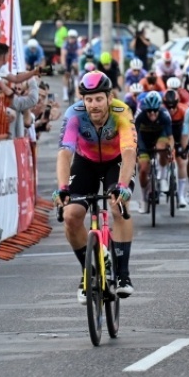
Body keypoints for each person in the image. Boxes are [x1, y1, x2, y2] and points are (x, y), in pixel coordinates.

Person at [53, 71, 138, 303]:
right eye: (88, 100)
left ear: (109, 98)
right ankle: (88, 273)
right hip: (86, 162)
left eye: (99, 99)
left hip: (116, 161)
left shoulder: (122, 112)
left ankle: (122, 274)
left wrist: (122, 186)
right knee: (71, 215)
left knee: (117, 206)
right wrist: (62, 188)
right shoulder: (74, 114)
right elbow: (64, 153)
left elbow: (129, 151)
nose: (93, 105)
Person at [134, 92, 174, 214]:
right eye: (149, 111)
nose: (152, 113)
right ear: (145, 109)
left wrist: (171, 150)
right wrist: (134, 151)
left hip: (159, 137)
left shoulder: (164, 116)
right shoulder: (140, 116)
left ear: (159, 109)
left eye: (155, 110)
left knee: (162, 147)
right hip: (143, 140)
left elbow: (170, 137)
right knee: (143, 169)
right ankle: (144, 199)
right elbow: (133, 136)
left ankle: (162, 178)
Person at [162, 89, 189, 208]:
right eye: (169, 106)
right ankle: (161, 178)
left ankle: (181, 195)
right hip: (165, 135)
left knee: (182, 162)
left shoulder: (184, 110)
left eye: (174, 106)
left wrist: (183, 147)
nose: (171, 109)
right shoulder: (162, 111)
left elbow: (186, 131)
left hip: (179, 135)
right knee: (161, 153)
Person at [61, 29, 81, 101]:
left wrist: (78, 64)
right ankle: (65, 94)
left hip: (74, 58)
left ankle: (76, 92)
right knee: (66, 74)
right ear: (68, 37)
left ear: (76, 38)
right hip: (67, 58)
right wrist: (64, 65)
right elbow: (63, 55)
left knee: (76, 70)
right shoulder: (65, 44)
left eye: (73, 37)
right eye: (70, 37)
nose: (72, 39)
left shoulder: (78, 44)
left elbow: (79, 54)